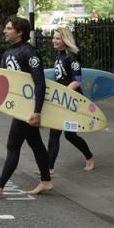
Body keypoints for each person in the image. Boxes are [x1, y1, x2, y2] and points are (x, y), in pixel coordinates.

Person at [0, 16, 53, 197]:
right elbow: (3, 82)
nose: (4, 31)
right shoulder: (8, 54)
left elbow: (40, 83)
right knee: (36, 144)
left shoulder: (30, 52)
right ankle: (46, 181)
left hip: (27, 109)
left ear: (19, 32)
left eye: (8, 28)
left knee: (13, 145)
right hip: (18, 108)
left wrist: (37, 111)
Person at [47, 27, 95, 174]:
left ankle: (89, 156)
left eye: (57, 38)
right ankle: (49, 168)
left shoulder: (72, 57)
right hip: (60, 99)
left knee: (70, 135)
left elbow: (78, 80)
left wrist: (64, 93)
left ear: (65, 40)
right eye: (54, 38)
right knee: (54, 133)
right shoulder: (59, 55)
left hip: (72, 100)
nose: (54, 41)